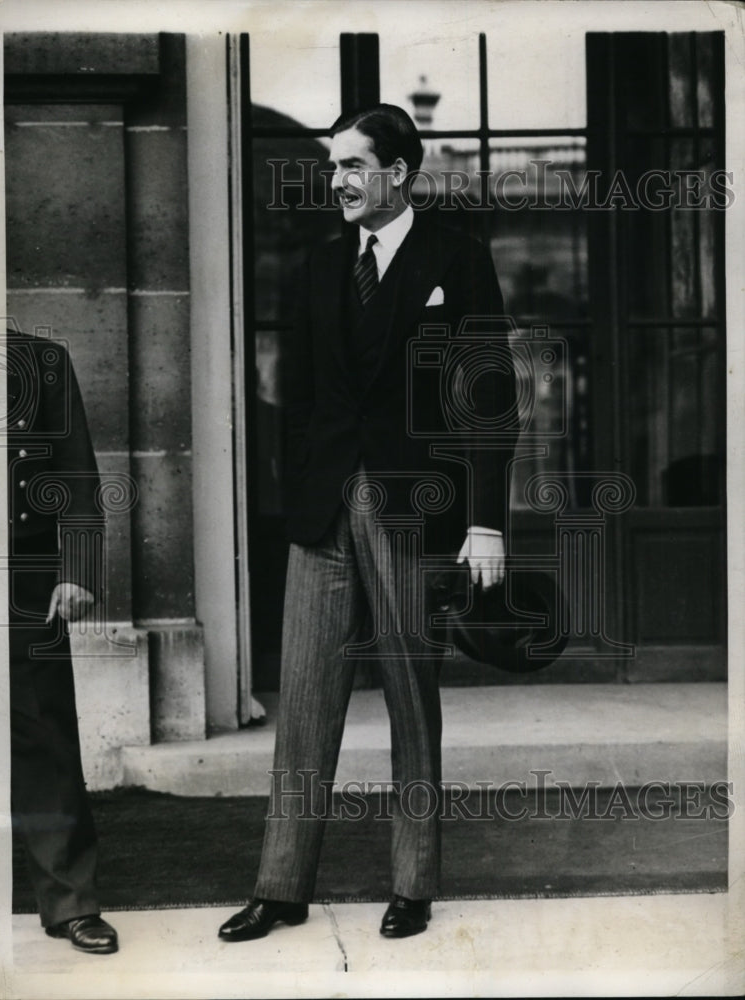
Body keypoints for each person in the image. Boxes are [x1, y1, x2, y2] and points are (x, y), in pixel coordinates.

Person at [219, 104, 517, 942]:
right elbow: (301, 397)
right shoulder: (316, 265)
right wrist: (297, 491)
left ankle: (413, 883)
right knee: (306, 702)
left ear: (399, 172)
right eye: (334, 165)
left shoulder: (457, 258)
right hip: (323, 513)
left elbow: (490, 399)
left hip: (413, 513)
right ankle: (280, 887)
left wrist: (485, 522)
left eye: (354, 165)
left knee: (411, 700)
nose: (338, 180)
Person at [6, 328, 118, 954]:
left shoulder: (43, 360)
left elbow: (75, 469)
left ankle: (71, 903)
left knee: (44, 732)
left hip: (24, 574)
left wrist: (77, 570)